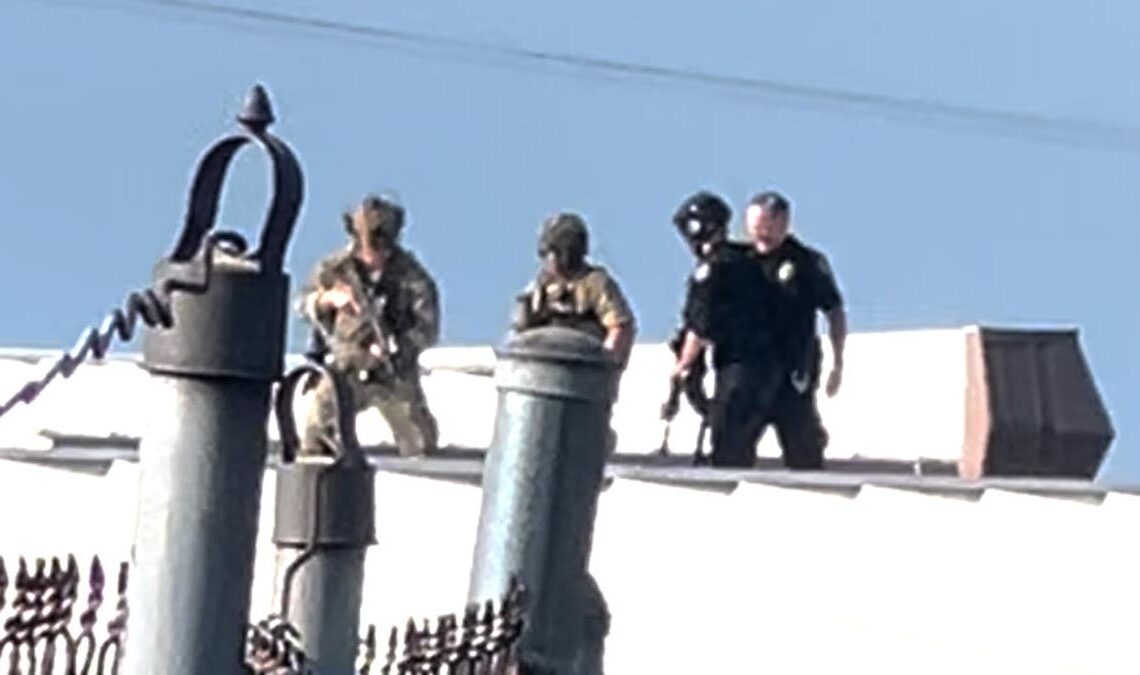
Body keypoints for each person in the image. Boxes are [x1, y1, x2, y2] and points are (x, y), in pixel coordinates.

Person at [297, 193, 441, 457]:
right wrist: (327, 300)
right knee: (315, 432)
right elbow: (302, 304)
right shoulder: (335, 269)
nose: (373, 253)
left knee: (420, 443)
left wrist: (397, 346)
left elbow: (427, 328)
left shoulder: (412, 277)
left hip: (392, 371)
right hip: (346, 366)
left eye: (380, 245)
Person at [743, 190, 846, 469]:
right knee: (733, 446)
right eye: (753, 227)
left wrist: (838, 362)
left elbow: (834, 311)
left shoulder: (807, 263)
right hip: (747, 369)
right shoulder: (738, 261)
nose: (758, 234)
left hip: (793, 367)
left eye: (765, 226)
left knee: (802, 446)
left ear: (783, 223)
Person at [658, 190, 741, 462]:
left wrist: (683, 363)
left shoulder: (711, 270)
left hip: (732, 357)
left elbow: (700, 324)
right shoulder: (743, 260)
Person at [511, 211, 637, 369]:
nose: (547, 260)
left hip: (584, 365)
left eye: (552, 253)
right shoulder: (541, 285)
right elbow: (522, 332)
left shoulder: (595, 283)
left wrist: (605, 365)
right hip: (546, 364)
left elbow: (619, 327)